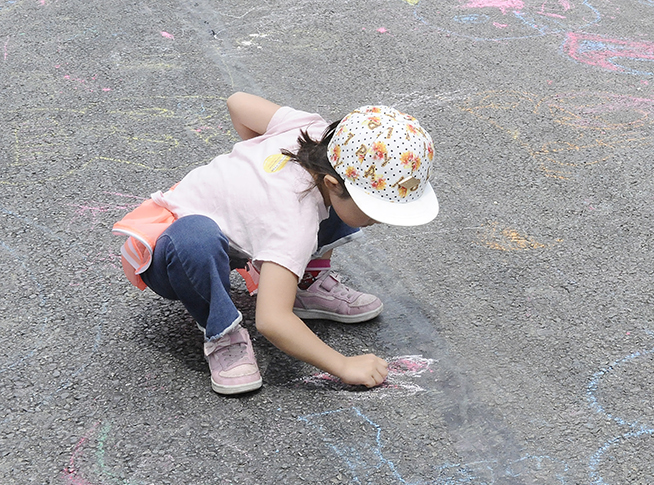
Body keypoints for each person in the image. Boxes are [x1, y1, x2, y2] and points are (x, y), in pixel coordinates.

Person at [111, 97, 439, 395]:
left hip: (245, 230)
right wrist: (343, 366)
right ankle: (221, 330)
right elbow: (271, 321)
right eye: (375, 208)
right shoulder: (291, 217)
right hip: (168, 249)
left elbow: (238, 103)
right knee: (197, 240)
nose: (380, 220)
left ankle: (302, 283)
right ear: (331, 182)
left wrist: (258, 179)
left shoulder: (315, 133)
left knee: (343, 211)